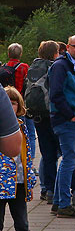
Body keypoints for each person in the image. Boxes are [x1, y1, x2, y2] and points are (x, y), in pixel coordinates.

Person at [28, 41, 75, 205]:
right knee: (69, 156)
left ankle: (49, 190)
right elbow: (60, 93)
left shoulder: (33, 68)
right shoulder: (58, 67)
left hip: (39, 117)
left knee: (48, 155)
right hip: (55, 116)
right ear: (55, 53)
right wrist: (72, 116)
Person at [1, 87, 48, 231]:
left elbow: (26, 157)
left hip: (19, 183)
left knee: (23, 226)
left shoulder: (23, 126)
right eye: (7, 103)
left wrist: (30, 179)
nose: (10, 107)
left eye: (13, 103)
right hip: (2, 183)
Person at [48, 34, 75, 218]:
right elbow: (56, 94)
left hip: (73, 121)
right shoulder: (61, 66)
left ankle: (58, 203)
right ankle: (64, 205)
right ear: (67, 46)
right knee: (69, 160)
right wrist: (72, 116)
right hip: (66, 121)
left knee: (68, 159)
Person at [4, 44, 34, 191]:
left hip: (5, 104)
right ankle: (29, 164)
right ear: (20, 54)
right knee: (28, 136)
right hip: (19, 103)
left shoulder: (4, 66)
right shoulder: (24, 67)